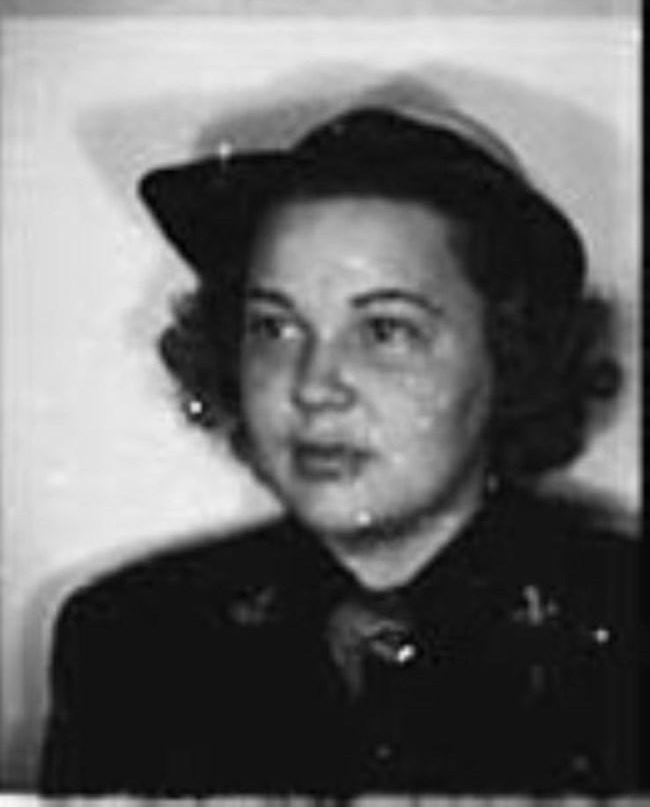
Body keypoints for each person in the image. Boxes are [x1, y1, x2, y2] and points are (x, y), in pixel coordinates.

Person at [39, 99, 639, 796]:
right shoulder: (131, 642)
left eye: (386, 330)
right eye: (275, 327)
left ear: (512, 356)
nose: (314, 386)